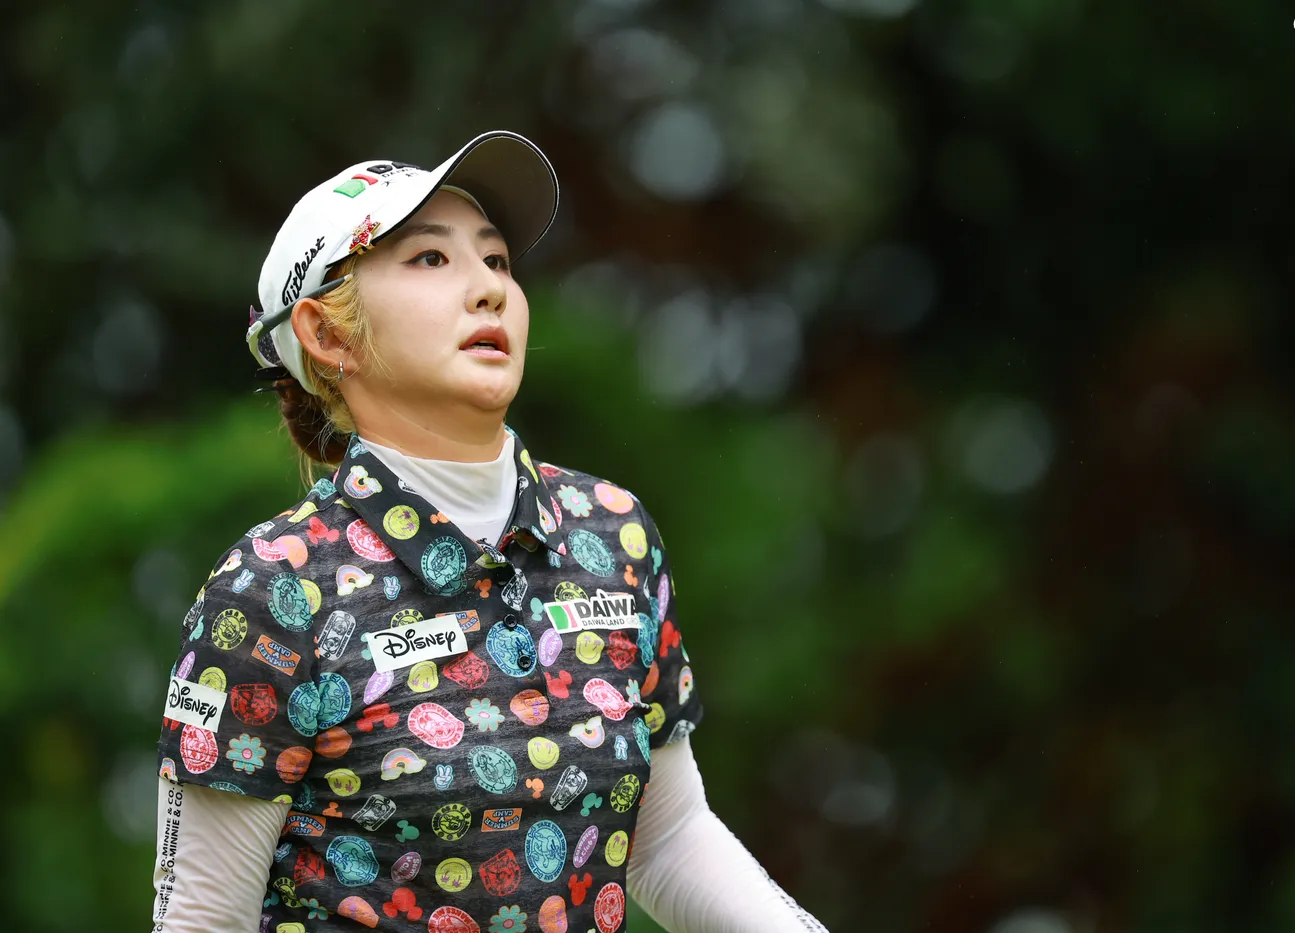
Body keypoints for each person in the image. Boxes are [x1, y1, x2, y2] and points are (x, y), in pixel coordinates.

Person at [151, 130, 827, 933]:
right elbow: (200, 919)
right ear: (328, 337)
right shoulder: (272, 589)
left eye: (498, 260)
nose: (488, 290)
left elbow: (670, 836)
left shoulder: (614, 534)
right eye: (430, 258)